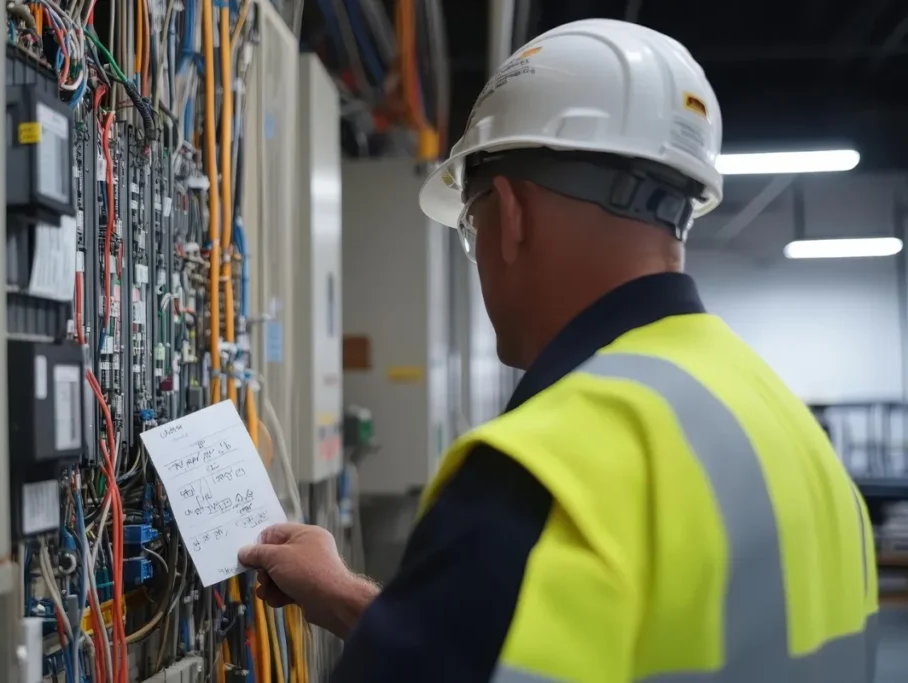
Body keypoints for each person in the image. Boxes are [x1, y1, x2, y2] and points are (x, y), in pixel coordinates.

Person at [239, 18, 879, 683]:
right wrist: (344, 595)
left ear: (511, 215)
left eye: (472, 224)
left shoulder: (544, 469)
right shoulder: (789, 432)